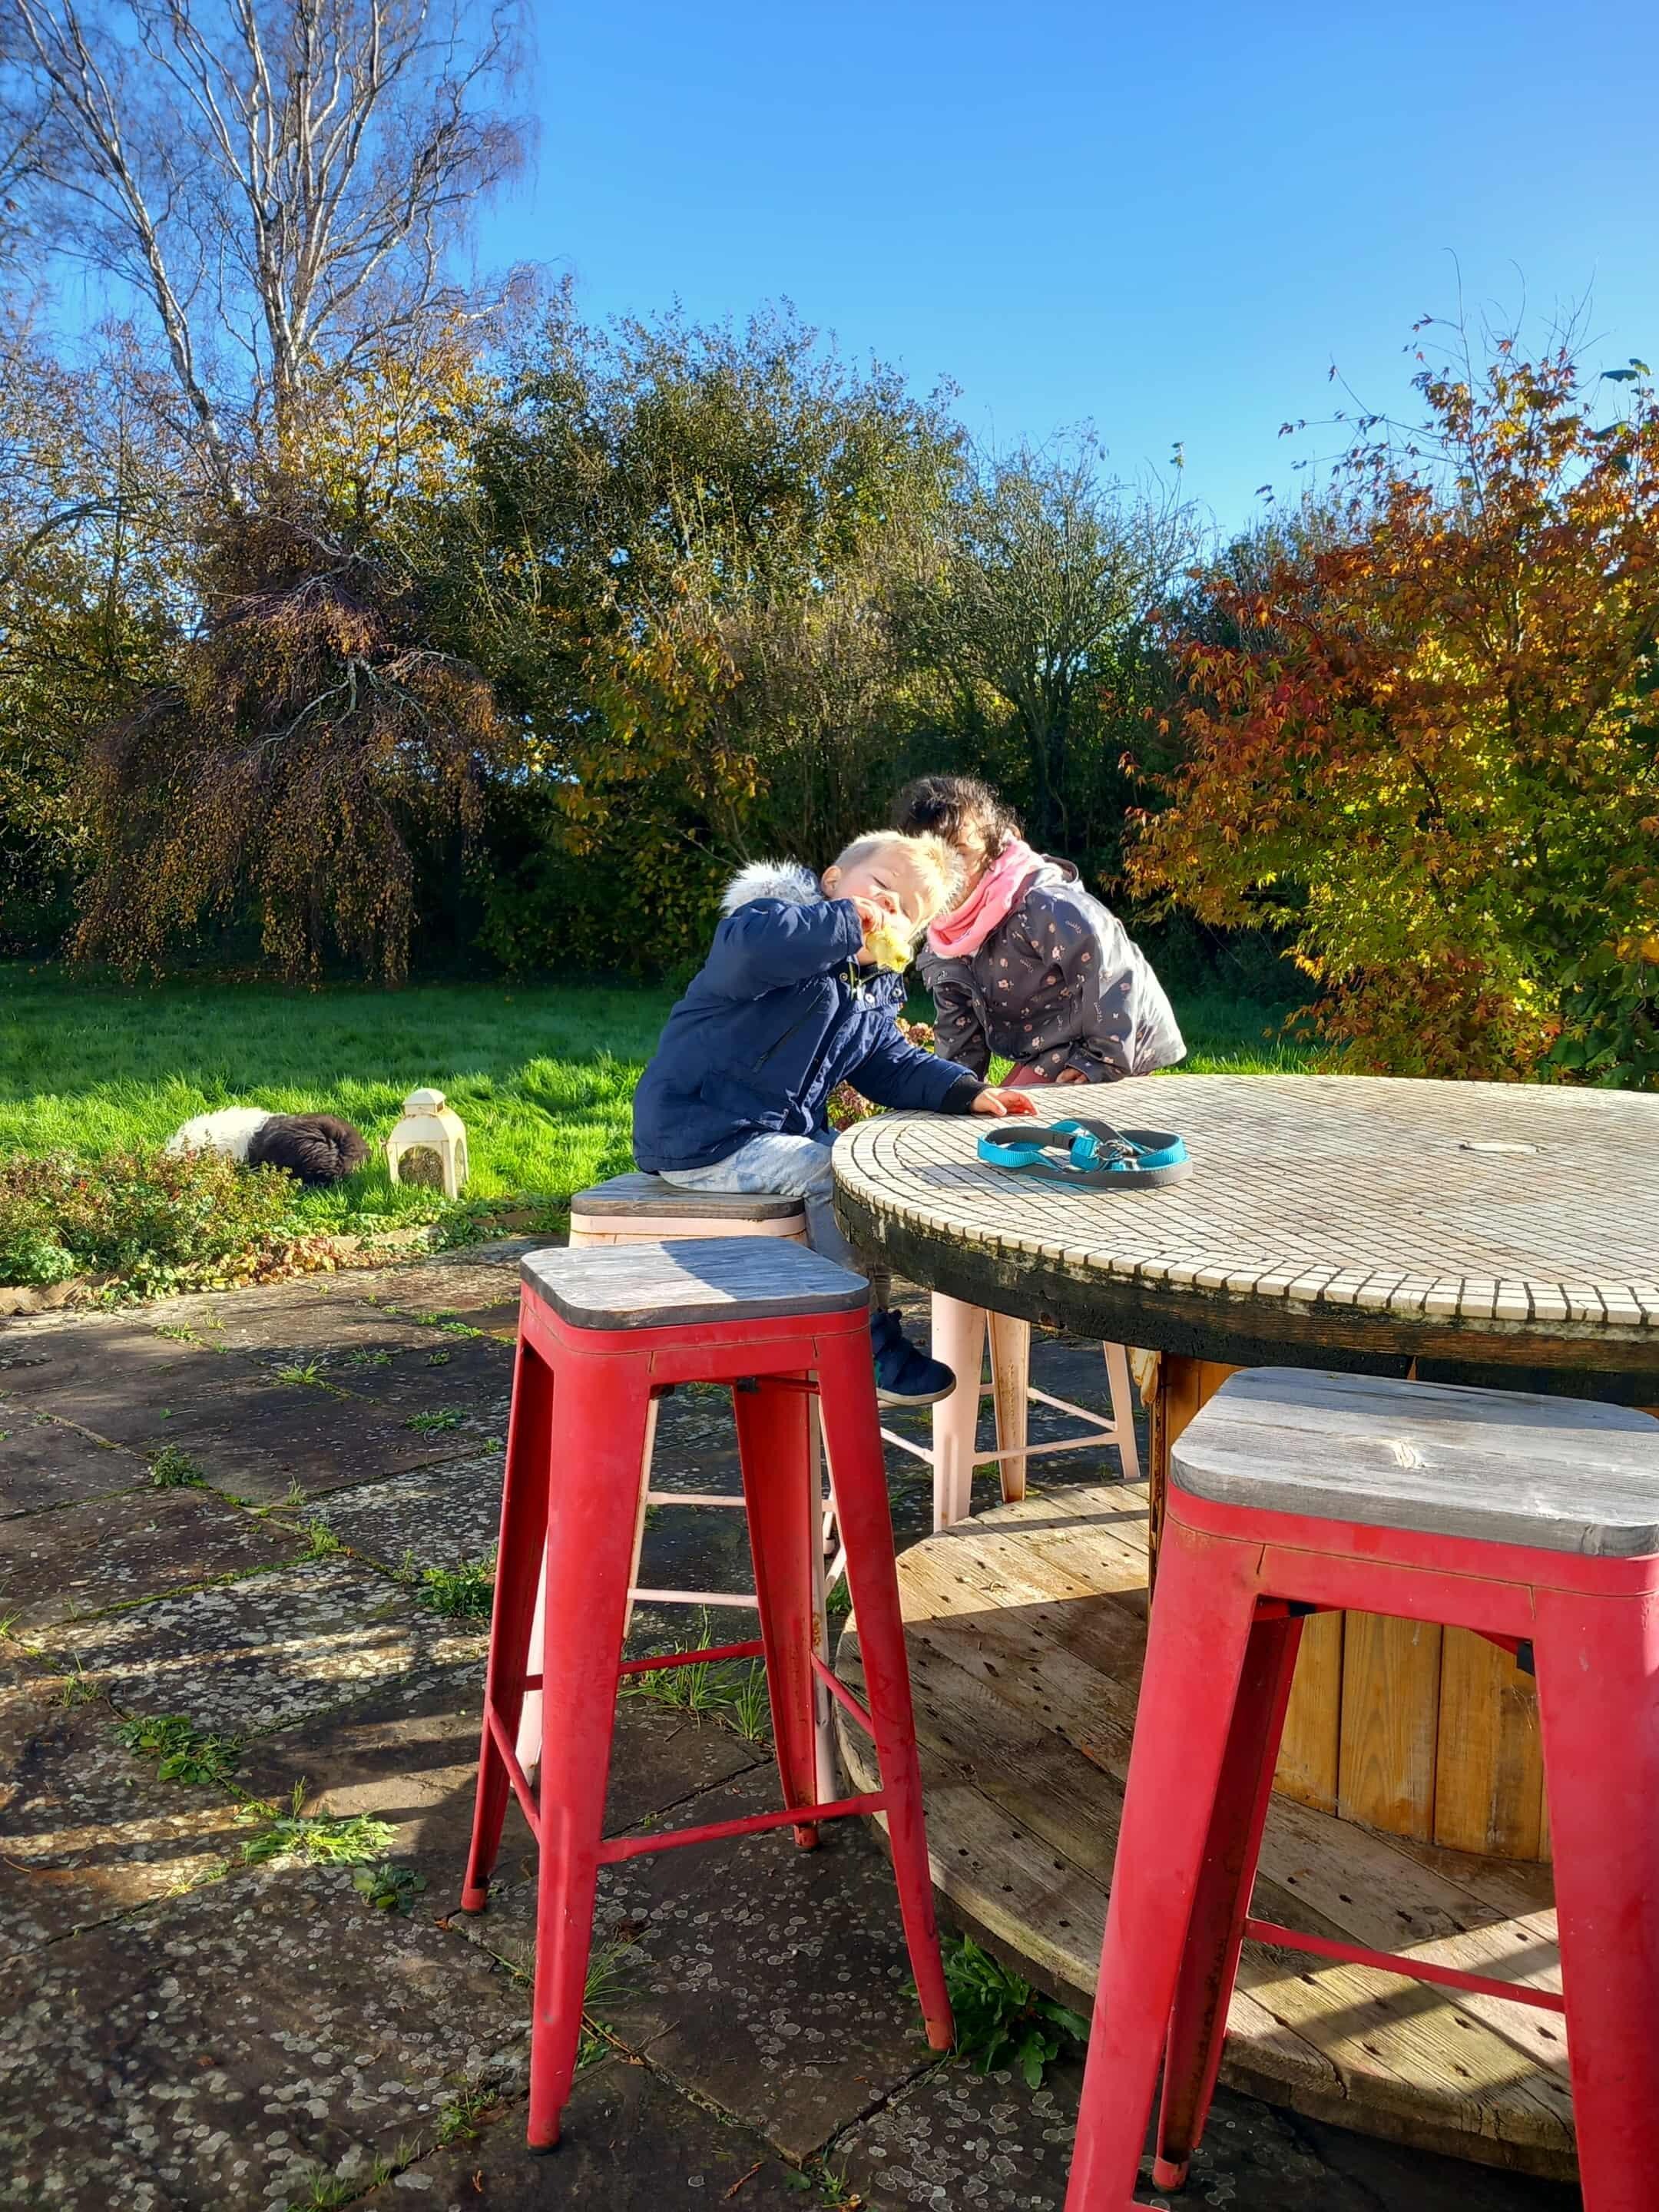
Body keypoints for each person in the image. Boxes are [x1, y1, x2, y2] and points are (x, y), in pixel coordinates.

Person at [632, 830, 1038, 1405]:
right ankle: (860, 1342)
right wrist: (847, 923)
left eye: (908, 912)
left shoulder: (870, 989)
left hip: (771, 1136)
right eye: (881, 887)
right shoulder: (769, 927)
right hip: (700, 1133)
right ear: (832, 882)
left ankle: (847, 1322)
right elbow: (756, 949)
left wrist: (961, 1089)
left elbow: (886, 1063)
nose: (889, 908)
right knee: (831, 1171)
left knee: (861, 1169)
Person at [891, 775, 1185, 1087]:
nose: (947, 871)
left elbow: (1109, 968)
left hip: (1115, 1036)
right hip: (1055, 1043)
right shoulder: (946, 944)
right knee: (989, 1112)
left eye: (960, 854)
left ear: (996, 846)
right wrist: (952, 1089)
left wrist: (1101, 1060)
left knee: (1018, 1116)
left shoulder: (1042, 905)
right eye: (930, 857)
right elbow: (958, 1033)